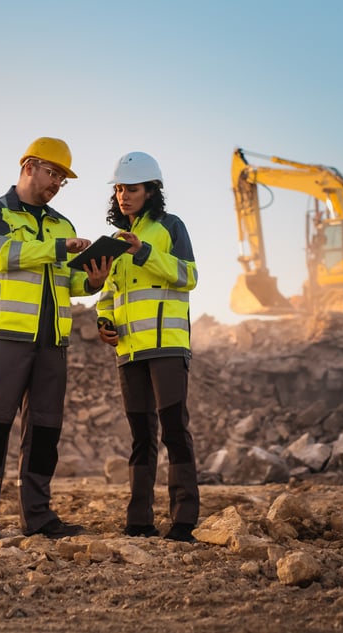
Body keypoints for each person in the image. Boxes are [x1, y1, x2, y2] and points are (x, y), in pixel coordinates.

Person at [0, 137, 111, 542]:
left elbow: (70, 279)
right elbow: (2, 255)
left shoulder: (63, 224)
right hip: (4, 336)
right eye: (53, 173)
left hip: (52, 341)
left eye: (62, 177)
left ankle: (38, 518)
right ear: (29, 167)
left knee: (44, 432)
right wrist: (59, 248)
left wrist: (91, 281)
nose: (57, 182)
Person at [95, 151, 200, 543]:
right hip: (129, 352)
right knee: (141, 436)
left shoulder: (170, 227)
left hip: (167, 348)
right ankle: (139, 521)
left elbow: (189, 275)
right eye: (119, 189)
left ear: (151, 191)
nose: (123, 195)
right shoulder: (114, 241)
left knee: (174, 431)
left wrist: (144, 252)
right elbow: (108, 294)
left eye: (132, 188)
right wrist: (103, 320)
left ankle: (183, 520)